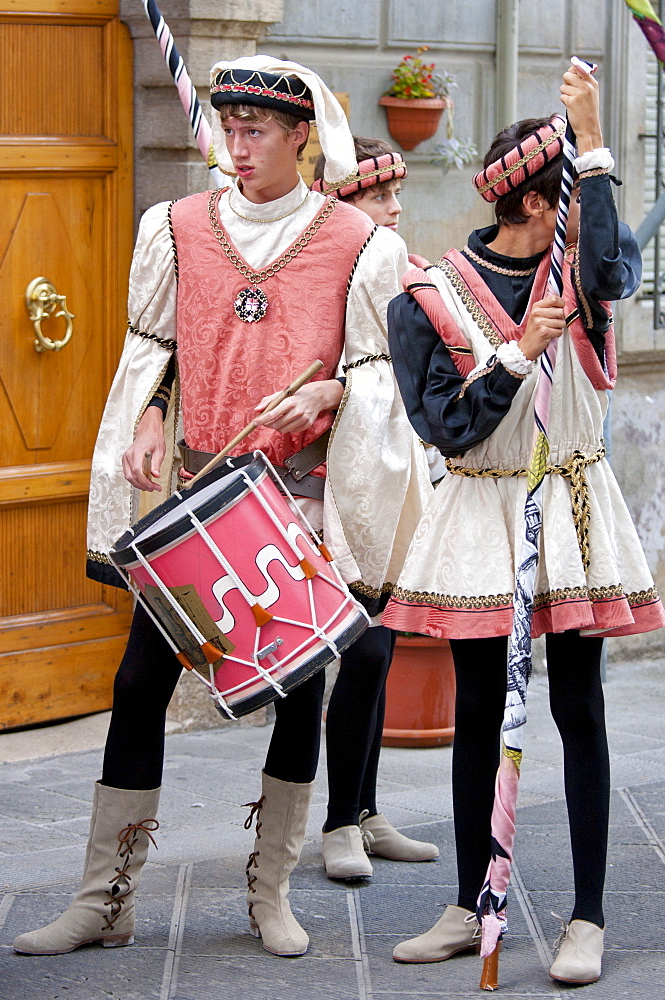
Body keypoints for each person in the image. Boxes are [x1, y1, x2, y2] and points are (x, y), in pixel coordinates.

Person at [13, 56, 431, 961]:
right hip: (203, 497)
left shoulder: (362, 246)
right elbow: (156, 348)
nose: (237, 148)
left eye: (256, 133)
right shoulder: (175, 227)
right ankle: (105, 898)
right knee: (136, 686)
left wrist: (326, 399)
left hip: (298, 505)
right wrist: (155, 417)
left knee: (298, 691)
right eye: (229, 130)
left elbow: (379, 375)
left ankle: (271, 893)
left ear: (299, 138)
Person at [381, 63, 664, 986]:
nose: (590, 217)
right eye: (577, 197)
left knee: (578, 705)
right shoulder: (427, 298)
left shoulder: (584, 279)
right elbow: (448, 427)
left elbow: (617, 256)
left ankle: (585, 918)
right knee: (476, 715)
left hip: (571, 502)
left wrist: (596, 140)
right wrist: (516, 352)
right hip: (481, 512)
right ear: (543, 208)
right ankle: (474, 902)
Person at [309, 138, 440, 880]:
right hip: (328, 487)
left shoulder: (394, 272)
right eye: (380, 198)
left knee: (382, 649)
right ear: (343, 209)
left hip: (389, 480)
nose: (396, 209)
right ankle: (335, 823)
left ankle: (364, 808)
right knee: (358, 653)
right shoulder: (322, 280)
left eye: (396, 195)